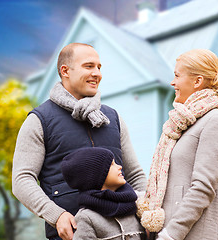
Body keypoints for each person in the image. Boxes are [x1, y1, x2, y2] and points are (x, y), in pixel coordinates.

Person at [12, 43, 147, 240]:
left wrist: (146, 213)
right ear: (65, 71)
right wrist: (56, 215)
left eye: (99, 67)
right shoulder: (39, 120)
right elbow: (22, 179)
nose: (97, 73)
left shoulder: (113, 117)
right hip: (72, 234)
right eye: (89, 66)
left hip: (125, 232)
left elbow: (135, 175)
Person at [137, 49, 218, 240]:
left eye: (177, 76)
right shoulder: (182, 124)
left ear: (197, 81)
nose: (172, 82)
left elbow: (203, 188)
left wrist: (170, 235)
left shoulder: (215, 122)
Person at [61, 147, 146, 239]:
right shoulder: (86, 218)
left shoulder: (135, 205)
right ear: (96, 177)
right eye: (112, 164)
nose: (119, 167)